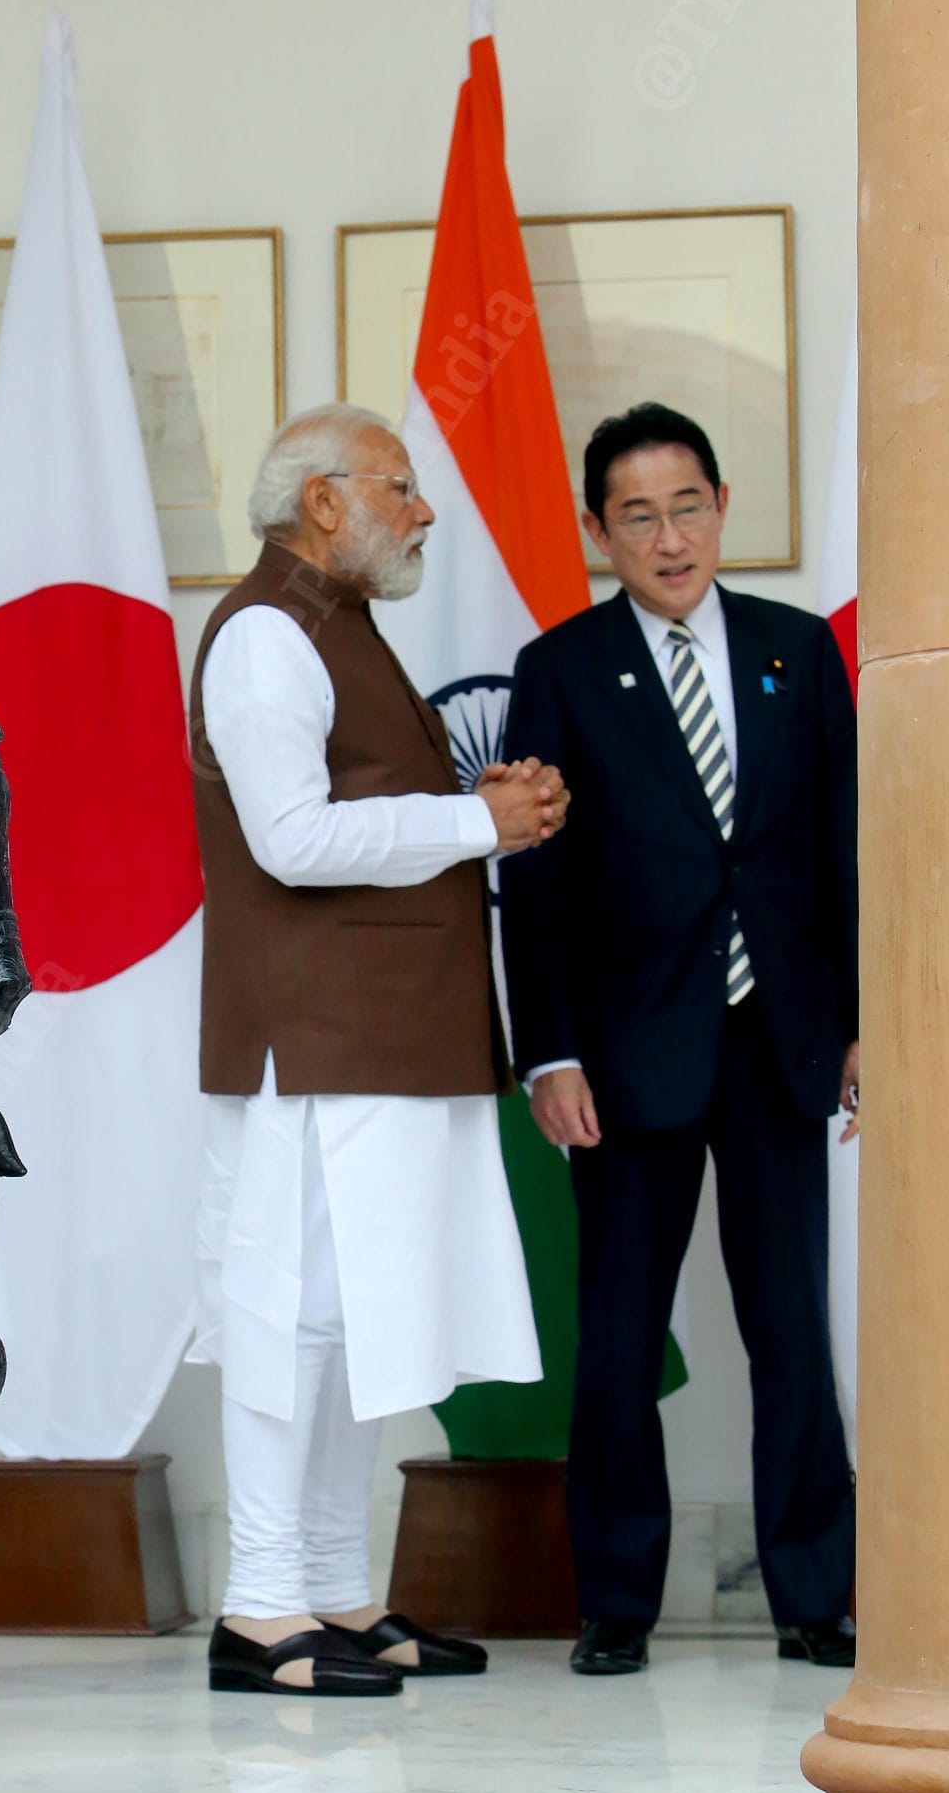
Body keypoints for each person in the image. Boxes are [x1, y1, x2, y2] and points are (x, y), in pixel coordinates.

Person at [188, 404, 568, 1695]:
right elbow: (289, 840)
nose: (420, 511)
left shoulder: (333, 626)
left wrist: (479, 819)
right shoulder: (261, 636)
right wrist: (471, 818)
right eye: (397, 488)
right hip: (314, 1042)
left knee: (355, 1325)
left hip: (378, 1039)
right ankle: (255, 1612)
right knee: (286, 1320)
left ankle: (334, 1597)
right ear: (321, 503)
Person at [499, 402, 859, 1677]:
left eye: (688, 505)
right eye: (638, 515)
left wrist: (857, 1025)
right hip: (626, 1050)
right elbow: (533, 885)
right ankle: (617, 1604)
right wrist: (547, 1053)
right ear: (601, 530)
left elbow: (840, 849)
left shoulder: (799, 652)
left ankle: (817, 1595)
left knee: (794, 1331)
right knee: (616, 1336)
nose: (669, 536)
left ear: (722, 505)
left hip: (777, 1043)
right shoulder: (560, 666)